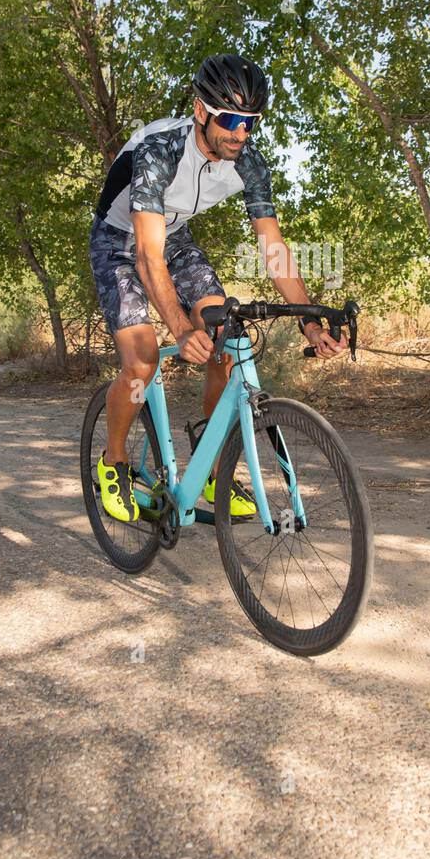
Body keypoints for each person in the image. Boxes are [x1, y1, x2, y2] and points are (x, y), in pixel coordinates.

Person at [89, 53, 346, 522]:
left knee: (229, 343)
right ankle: (113, 461)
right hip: (119, 242)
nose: (240, 133)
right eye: (230, 119)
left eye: (251, 123)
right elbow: (146, 256)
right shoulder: (159, 150)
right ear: (201, 111)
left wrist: (310, 320)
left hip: (175, 237)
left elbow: (273, 248)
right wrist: (182, 329)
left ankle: (210, 467)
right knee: (143, 358)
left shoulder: (248, 162)